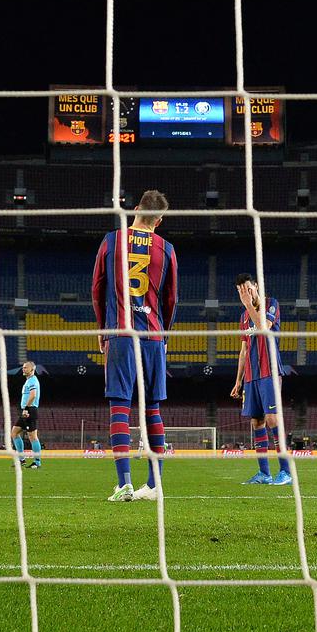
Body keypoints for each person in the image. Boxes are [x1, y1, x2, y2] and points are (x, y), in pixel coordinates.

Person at [91, 189, 178, 502]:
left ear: (137, 209)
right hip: (153, 337)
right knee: (152, 407)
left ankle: (125, 483)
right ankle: (154, 486)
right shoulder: (166, 248)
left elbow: (97, 288)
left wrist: (104, 329)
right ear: (159, 219)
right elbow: (171, 299)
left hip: (122, 335)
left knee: (120, 406)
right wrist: (164, 335)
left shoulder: (111, 241)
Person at [232, 273, 292, 486]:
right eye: (241, 291)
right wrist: (238, 380)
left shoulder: (271, 304)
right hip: (251, 375)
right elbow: (244, 349)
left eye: (248, 288)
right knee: (256, 422)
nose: (245, 293)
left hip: (270, 371)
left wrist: (249, 305)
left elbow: (264, 328)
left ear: (256, 286)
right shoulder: (243, 317)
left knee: (273, 418)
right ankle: (264, 473)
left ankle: (286, 471)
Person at [11, 361, 43, 469]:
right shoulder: (29, 381)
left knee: (32, 436)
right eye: (23, 367)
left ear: (32, 369)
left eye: (26, 368)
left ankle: (37, 462)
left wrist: (26, 408)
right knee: (14, 432)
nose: (23, 369)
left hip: (29, 410)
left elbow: (33, 395)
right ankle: (21, 459)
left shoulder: (33, 380)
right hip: (26, 410)